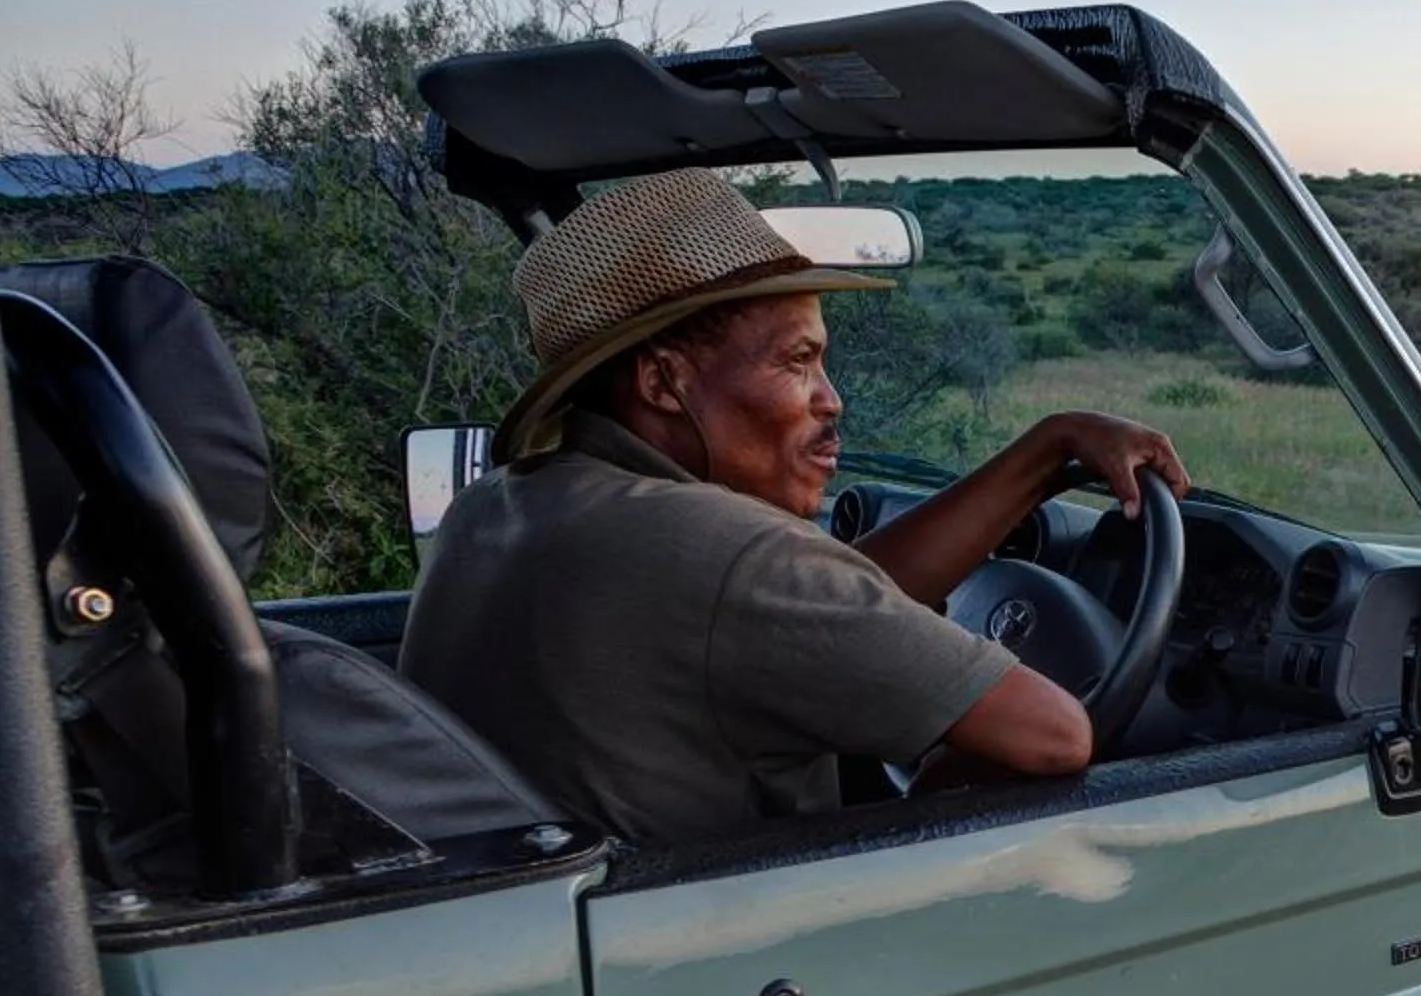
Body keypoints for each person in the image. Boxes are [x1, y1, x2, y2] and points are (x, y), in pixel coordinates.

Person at [400, 168, 1186, 845]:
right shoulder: (720, 553)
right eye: (796, 362)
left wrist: (1044, 453)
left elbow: (821, 598)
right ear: (661, 382)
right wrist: (921, 826)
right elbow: (1053, 737)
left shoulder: (499, 508)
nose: (831, 400)